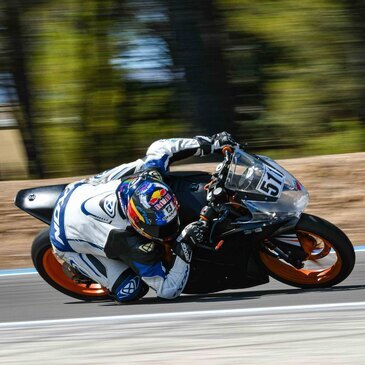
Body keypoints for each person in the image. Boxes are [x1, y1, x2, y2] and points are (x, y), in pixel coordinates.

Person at [49, 132, 236, 302]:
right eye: (158, 229)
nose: (169, 231)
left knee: (141, 163)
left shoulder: (150, 178)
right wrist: (185, 246)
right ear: (137, 224)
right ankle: (82, 268)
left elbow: (161, 147)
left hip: (79, 188)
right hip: (64, 234)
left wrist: (211, 143)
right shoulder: (130, 243)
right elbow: (167, 290)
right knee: (131, 290)